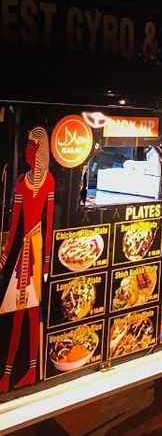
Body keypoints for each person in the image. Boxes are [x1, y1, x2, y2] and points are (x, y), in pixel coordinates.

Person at [0, 127, 55, 392]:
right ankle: (8, 373)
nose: (28, 152)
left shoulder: (49, 181)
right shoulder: (22, 182)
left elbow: (50, 223)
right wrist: (4, 254)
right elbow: (13, 224)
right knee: (17, 312)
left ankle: (32, 370)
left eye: (32, 148)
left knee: (32, 313)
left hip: (35, 248)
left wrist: (45, 263)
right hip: (23, 250)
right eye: (27, 148)